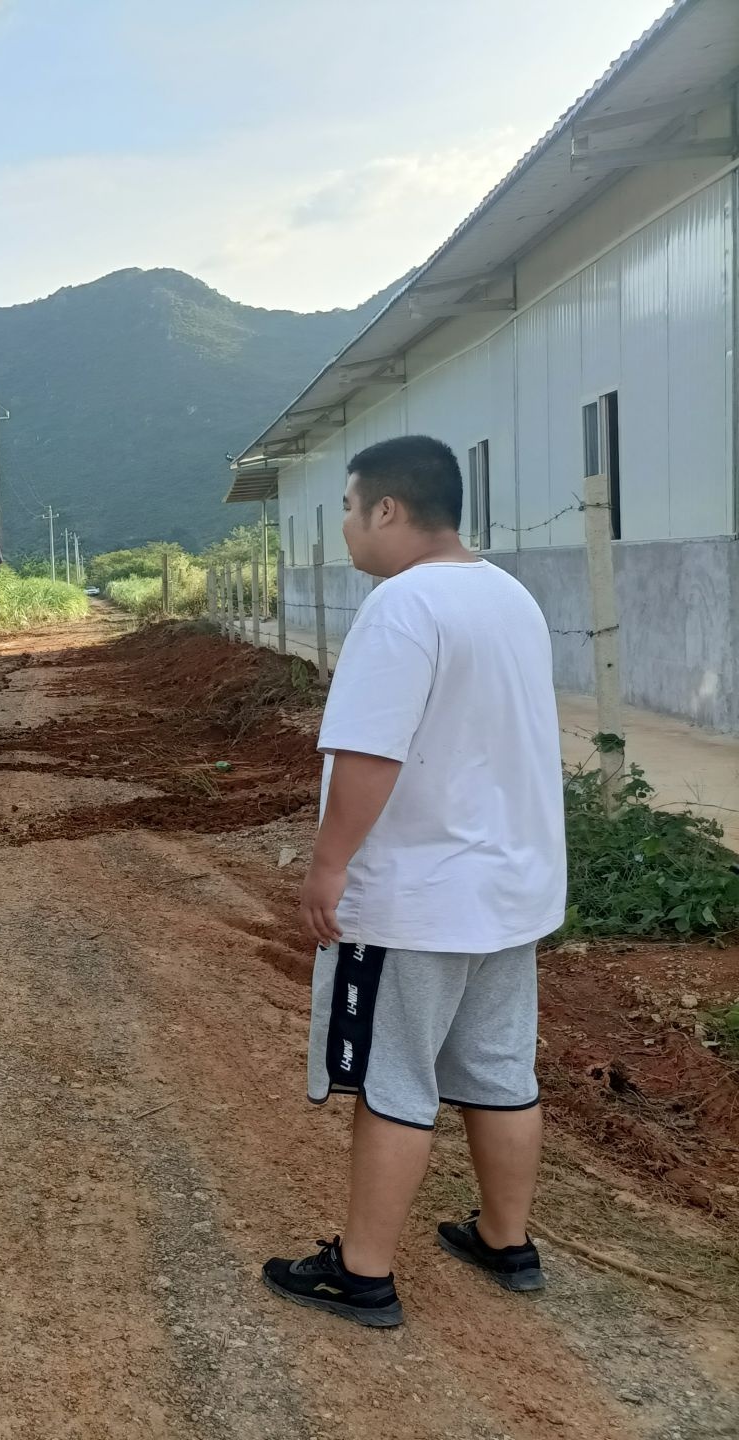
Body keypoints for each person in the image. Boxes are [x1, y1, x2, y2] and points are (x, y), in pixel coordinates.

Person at [262, 436, 565, 1328]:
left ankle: (362, 1274)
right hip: (510, 893)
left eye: (352, 510)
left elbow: (368, 754)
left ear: (388, 510)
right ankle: (507, 1242)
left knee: (395, 1079)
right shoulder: (508, 596)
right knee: (501, 1070)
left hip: (420, 899)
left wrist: (328, 865)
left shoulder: (403, 608)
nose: (349, 529)